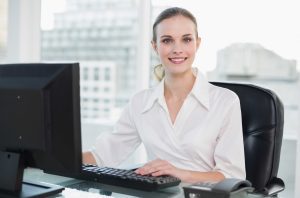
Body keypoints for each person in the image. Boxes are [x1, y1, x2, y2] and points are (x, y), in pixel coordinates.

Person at [83, 7, 245, 183]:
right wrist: (53, 157)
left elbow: (232, 177)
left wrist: (180, 173)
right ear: (155, 46)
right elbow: (102, 156)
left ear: (197, 44)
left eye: (186, 40)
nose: (177, 49)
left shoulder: (225, 101)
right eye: (167, 40)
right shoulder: (140, 103)